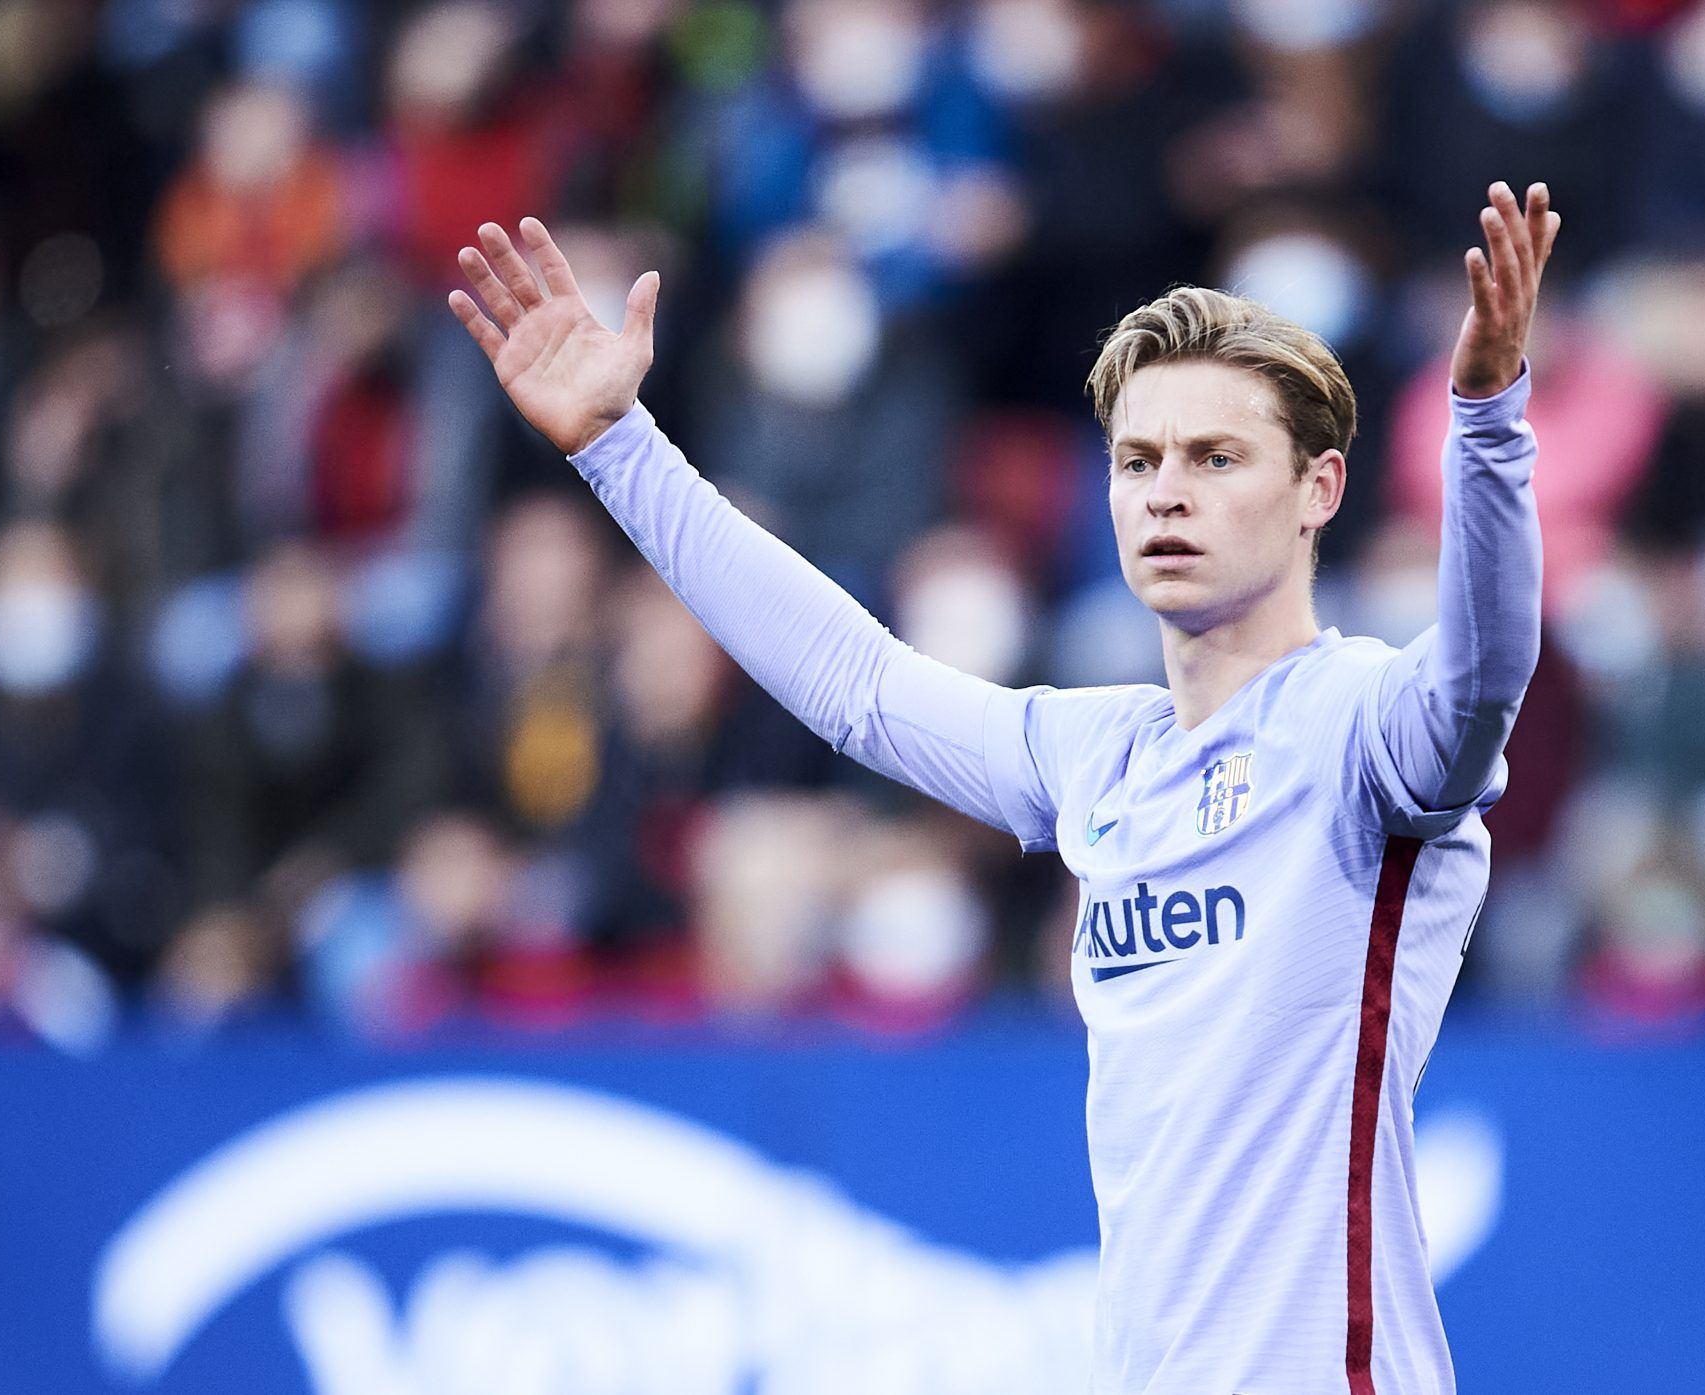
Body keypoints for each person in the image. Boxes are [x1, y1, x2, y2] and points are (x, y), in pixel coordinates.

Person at [449, 180, 1558, 1394]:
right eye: (1136, 460)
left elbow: (1481, 676)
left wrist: (1486, 418)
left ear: (1319, 492)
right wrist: (619, 447)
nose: (1164, 490)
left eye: (1214, 456)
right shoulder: (1098, 757)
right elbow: (852, 683)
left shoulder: (1359, 725)